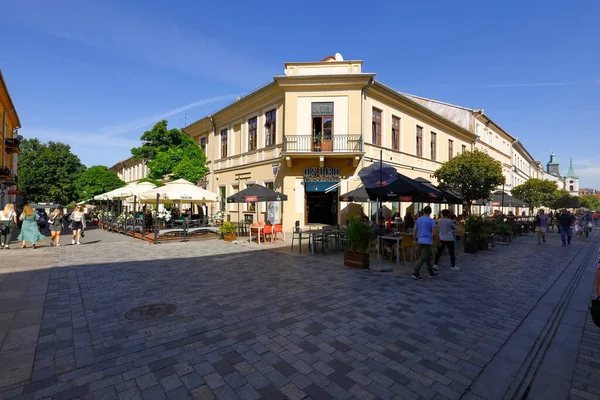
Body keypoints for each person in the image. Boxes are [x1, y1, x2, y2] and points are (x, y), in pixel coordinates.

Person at [412, 206, 438, 280]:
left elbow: (414, 230)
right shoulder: (431, 220)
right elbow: (435, 232)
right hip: (427, 242)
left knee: (428, 257)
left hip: (420, 240)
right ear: (430, 212)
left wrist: (414, 240)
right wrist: (437, 241)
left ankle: (431, 272)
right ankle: (416, 272)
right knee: (423, 257)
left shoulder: (418, 220)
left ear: (423, 211)